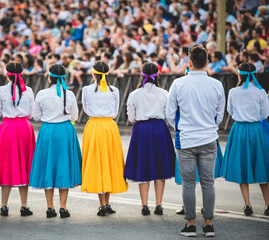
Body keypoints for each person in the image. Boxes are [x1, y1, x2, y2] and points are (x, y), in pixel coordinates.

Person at [166, 45, 225, 237]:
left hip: (187, 139)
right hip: (208, 138)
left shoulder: (178, 84)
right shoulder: (217, 85)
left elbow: (170, 113)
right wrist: (209, 127)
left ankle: (190, 224)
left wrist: (181, 128)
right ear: (207, 62)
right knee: (208, 183)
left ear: (189, 63)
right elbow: (219, 115)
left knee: (188, 183)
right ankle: (208, 224)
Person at [29, 64, 82, 218]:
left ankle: (50, 207)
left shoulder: (42, 94)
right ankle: (63, 207)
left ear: (49, 77)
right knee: (63, 166)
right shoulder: (69, 94)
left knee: (49, 166)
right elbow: (74, 117)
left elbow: (36, 116)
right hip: (65, 130)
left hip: (48, 131)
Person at [124, 62, 175, 216]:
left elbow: (132, 118)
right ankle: (159, 204)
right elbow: (169, 114)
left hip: (142, 130)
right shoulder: (164, 93)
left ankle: (144, 205)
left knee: (143, 166)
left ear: (141, 75)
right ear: (157, 76)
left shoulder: (134, 94)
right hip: (160, 129)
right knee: (160, 168)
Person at [219, 62, 269, 217]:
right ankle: (268, 204)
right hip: (255, 129)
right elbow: (264, 115)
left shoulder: (234, 91)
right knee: (261, 165)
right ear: (255, 75)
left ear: (239, 75)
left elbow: (230, 111)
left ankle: (247, 204)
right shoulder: (261, 92)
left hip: (239, 129)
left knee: (243, 166)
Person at [0, 62, 36, 217]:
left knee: (6, 165)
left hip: (7, 128)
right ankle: (24, 206)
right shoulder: (28, 90)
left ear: (7, 74)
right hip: (24, 128)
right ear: (21, 74)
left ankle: (4, 206)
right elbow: (31, 113)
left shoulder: (0, 90)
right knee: (25, 166)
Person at [81, 61, 128, 216]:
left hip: (94, 125)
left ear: (94, 74)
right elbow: (115, 111)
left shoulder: (87, 90)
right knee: (109, 162)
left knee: (97, 162)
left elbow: (86, 109)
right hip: (109, 127)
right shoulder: (114, 90)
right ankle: (106, 203)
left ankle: (102, 203)